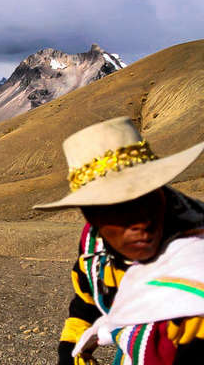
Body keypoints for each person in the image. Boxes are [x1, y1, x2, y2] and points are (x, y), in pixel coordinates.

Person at [33, 117, 204, 365]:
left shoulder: (195, 271)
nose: (142, 220)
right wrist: (69, 353)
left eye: (149, 197)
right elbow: (85, 303)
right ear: (91, 216)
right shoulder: (94, 247)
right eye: (119, 209)